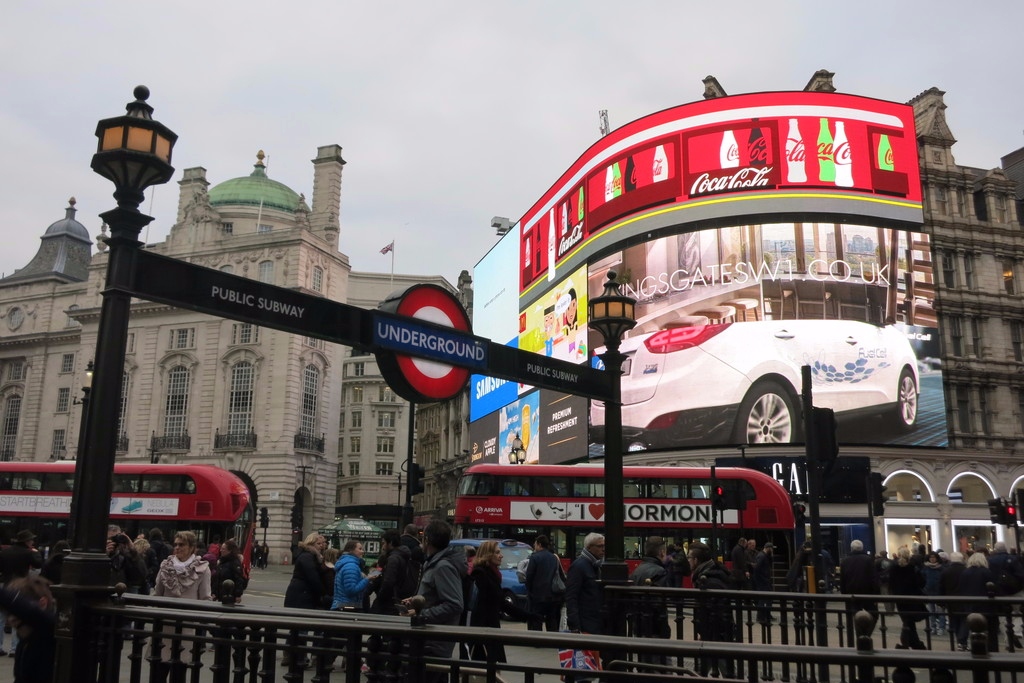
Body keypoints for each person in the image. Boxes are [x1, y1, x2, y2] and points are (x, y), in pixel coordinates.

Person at [400, 520, 464, 683]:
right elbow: (434, 596)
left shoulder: (443, 567)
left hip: (434, 644)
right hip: (428, 641)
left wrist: (422, 615)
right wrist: (416, 602)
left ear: (426, 540)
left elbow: (454, 604)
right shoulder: (434, 563)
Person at [687, 541, 735, 678]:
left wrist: (705, 629)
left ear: (696, 560)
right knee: (705, 666)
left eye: (689, 558)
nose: (688, 561)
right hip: (713, 632)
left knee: (725, 668)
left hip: (716, 633)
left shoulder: (709, 579)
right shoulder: (711, 573)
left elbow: (715, 609)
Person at [1, 575, 56, 683]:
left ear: (42, 603)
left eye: (17, 612)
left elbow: (30, 612)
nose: (11, 618)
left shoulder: (50, 630)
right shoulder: (25, 639)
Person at [0, 530, 43, 657]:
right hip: (20, 587)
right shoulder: (28, 553)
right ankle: (14, 648)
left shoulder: (5, 552)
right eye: (31, 540)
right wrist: (37, 553)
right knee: (17, 617)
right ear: (26, 541)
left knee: (1, 618)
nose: (33, 542)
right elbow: (38, 564)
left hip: (5, 585)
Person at [629, 536, 671, 667]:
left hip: (639, 626)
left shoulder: (637, 570)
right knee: (663, 668)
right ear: (662, 552)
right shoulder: (659, 571)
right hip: (654, 629)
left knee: (645, 667)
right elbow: (658, 603)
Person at [468, 540, 507, 663]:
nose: (501, 555)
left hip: (491, 629)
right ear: (488, 555)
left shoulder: (493, 574)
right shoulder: (481, 574)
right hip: (484, 632)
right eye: (497, 552)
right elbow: (484, 605)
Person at [956, 550, 999, 651]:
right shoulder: (986, 572)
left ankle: (974, 647)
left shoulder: (965, 572)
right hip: (985, 605)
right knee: (989, 629)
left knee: (973, 627)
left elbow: (961, 588)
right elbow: (993, 587)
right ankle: (990, 649)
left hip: (970, 604)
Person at [565, 533, 605, 635]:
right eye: (600, 546)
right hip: (586, 623)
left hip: (597, 621)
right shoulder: (578, 566)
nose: (603, 549)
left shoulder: (598, 564)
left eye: (604, 546)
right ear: (589, 547)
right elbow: (571, 597)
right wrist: (574, 626)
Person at [888, 546, 926, 649]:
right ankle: (914, 645)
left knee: (907, 622)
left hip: (900, 599)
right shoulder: (912, 567)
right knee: (909, 622)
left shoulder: (893, 567)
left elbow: (891, 583)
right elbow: (921, 582)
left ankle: (909, 645)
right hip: (912, 598)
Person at [369, 529, 413, 614]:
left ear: (391, 543)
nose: (383, 547)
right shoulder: (400, 556)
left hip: (388, 602)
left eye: (384, 543)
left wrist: (380, 596)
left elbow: (388, 581)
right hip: (395, 599)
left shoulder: (393, 559)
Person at [525, 535, 563, 632]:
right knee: (551, 619)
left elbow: (529, 575)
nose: (534, 546)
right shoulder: (554, 558)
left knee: (537, 619)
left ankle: (538, 642)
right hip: (553, 595)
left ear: (539, 544)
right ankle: (552, 639)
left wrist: (529, 589)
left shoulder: (535, 557)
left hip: (537, 595)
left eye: (535, 544)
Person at [840, 540, 881, 630]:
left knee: (856, 616)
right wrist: (876, 594)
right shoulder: (868, 560)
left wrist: (844, 595)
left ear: (851, 548)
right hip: (868, 594)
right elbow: (874, 578)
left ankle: (860, 635)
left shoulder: (845, 561)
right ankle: (866, 634)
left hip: (852, 594)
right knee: (874, 615)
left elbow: (842, 580)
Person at [285, 533, 327, 610]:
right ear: (310, 544)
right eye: (318, 543)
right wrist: (323, 592)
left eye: (322, 543)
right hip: (301, 594)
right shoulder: (307, 557)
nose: (321, 546)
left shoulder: (314, 556)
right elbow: (313, 577)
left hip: (304, 593)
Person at [939, 552, 968, 650]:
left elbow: (941, 587)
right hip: (964, 599)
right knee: (964, 620)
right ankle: (962, 640)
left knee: (954, 621)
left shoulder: (946, 571)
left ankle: (959, 640)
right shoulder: (965, 571)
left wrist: (941, 601)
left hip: (950, 600)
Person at [332, 540, 370, 611]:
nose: (362, 551)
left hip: (343, 605)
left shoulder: (348, 564)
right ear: (351, 550)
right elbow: (351, 590)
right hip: (348, 607)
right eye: (360, 549)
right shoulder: (351, 566)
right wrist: (367, 579)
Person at [920, 551, 946, 637]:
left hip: (939, 593)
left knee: (940, 612)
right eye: (931, 557)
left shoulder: (942, 568)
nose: (932, 559)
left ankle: (941, 627)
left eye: (934, 557)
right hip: (929, 592)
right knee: (931, 611)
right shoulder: (925, 568)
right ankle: (933, 627)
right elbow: (922, 579)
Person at [213, 539, 246, 603]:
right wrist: (214, 592)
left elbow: (239, 579)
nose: (221, 550)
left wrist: (238, 595)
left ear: (230, 551)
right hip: (219, 595)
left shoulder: (235, 563)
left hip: (230, 595)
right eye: (221, 548)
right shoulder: (221, 562)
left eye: (223, 549)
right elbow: (217, 578)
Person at [752, 542, 775, 624]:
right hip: (763, 581)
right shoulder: (761, 556)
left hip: (764, 580)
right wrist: (763, 579)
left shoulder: (764, 556)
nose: (772, 550)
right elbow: (757, 569)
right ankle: (761, 616)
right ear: (768, 548)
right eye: (771, 549)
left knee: (768, 598)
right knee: (763, 599)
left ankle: (767, 615)